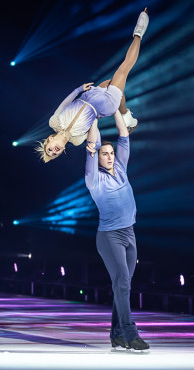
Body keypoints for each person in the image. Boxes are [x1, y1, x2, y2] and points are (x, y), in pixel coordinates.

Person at [35, 9, 149, 163]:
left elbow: (65, 103)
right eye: (54, 154)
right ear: (61, 152)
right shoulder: (77, 140)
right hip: (103, 106)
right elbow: (93, 133)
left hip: (88, 96)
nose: (53, 151)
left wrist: (78, 90)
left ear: (49, 140)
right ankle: (139, 31)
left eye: (49, 149)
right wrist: (94, 145)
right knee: (123, 68)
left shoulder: (53, 122)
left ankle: (127, 117)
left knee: (110, 82)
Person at [83, 111, 149, 350]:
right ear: (97, 157)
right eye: (105, 154)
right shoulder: (93, 178)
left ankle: (116, 334)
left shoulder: (121, 168)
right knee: (122, 283)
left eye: (111, 154)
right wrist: (93, 116)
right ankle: (131, 335)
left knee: (124, 285)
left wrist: (116, 110)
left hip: (129, 233)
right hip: (110, 236)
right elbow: (93, 142)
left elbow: (123, 134)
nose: (110, 157)